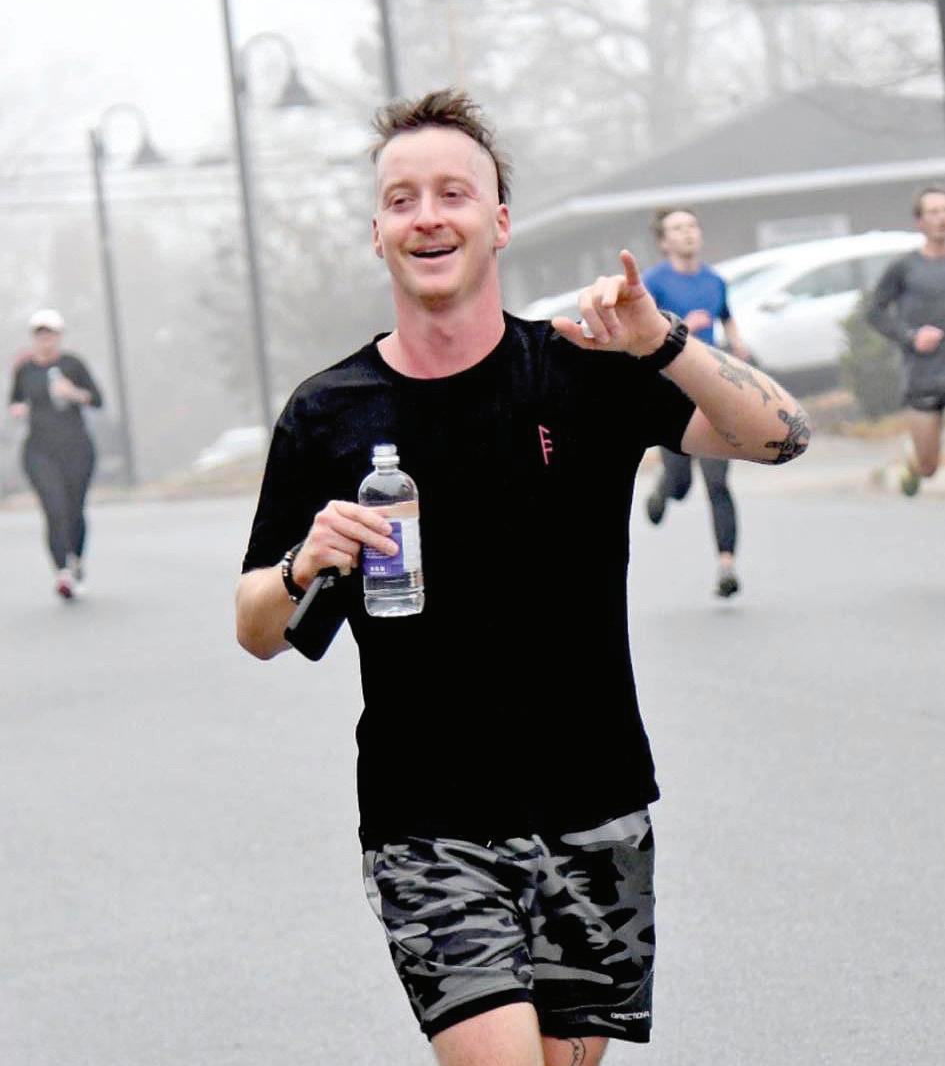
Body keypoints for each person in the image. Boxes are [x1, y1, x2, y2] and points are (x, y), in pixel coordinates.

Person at [236, 90, 810, 1066]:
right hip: (428, 823)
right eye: (401, 199)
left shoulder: (582, 369)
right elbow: (256, 624)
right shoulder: (328, 413)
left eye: (452, 193)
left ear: (499, 221)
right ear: (377, 233)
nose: (427, 216)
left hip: (595, 804)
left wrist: (661, 342)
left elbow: (783, 436)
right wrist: (302, 561)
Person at [642, 207, 752, 598]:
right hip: (671, 393)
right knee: (681, 483)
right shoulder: (652, 282)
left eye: (691, 226)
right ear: (663, 241)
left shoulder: (715, 281)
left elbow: (726, 318)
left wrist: (738, 347)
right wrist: (684, 326)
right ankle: (663, 490)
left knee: (718, 481)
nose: (687, 233)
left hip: (712, 391)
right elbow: (645, 333)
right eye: (677, 228)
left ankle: (727, 566)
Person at [7, 309, 103, 599]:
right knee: (54, 508)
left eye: (50, 334)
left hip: (76, 448)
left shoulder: (72, 364)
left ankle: (76, 560)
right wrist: (17, 409)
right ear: (34, 338)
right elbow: (14, 400)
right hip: (40, 450)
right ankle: (62, 572)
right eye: (40, 335)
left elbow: (97, 399)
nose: (45, 340)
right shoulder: (25, 370)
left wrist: (73, 393)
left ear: (59, 336)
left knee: (74, 508)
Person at [868, 184, 945, 495]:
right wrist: (911, 337)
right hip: (923, 376)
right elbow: (874, 312)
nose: (942, 218)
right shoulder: (904, 268)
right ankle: (912, 461)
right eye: (934, 212)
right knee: (928, 467)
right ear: (920, 222)